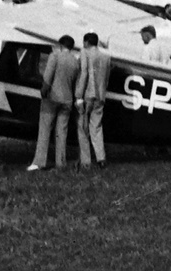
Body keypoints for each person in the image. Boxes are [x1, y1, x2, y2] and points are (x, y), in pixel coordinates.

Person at [28, 35, 81, 171]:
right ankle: (60, 163)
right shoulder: (75, 62)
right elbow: (76, 83)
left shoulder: (54, 57)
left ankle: (39, 162)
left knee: (45, 130)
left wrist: (43, 92)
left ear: (60, 45)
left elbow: (47, 77)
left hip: (52, 98)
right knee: (61, 132)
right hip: (67, 100)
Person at [75, 31, 111, 169]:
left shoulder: (85, 53)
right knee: (96, 127)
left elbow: (84, 73)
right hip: (101, 95)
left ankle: (86, 161)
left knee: (82, 127)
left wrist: (79, 96)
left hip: (87, 94)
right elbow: (106, 78)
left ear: (86, 42)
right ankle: (101, 158)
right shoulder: (106, 57)